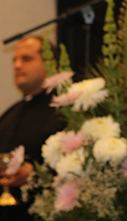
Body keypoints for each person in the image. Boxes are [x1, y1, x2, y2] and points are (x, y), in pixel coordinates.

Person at [0, 36, 66, 220]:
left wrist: (35, 175)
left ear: (50, 63)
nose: (17, 65)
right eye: (15, 60)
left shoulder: (65, 112)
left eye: (26, 59)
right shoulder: (8, 115)